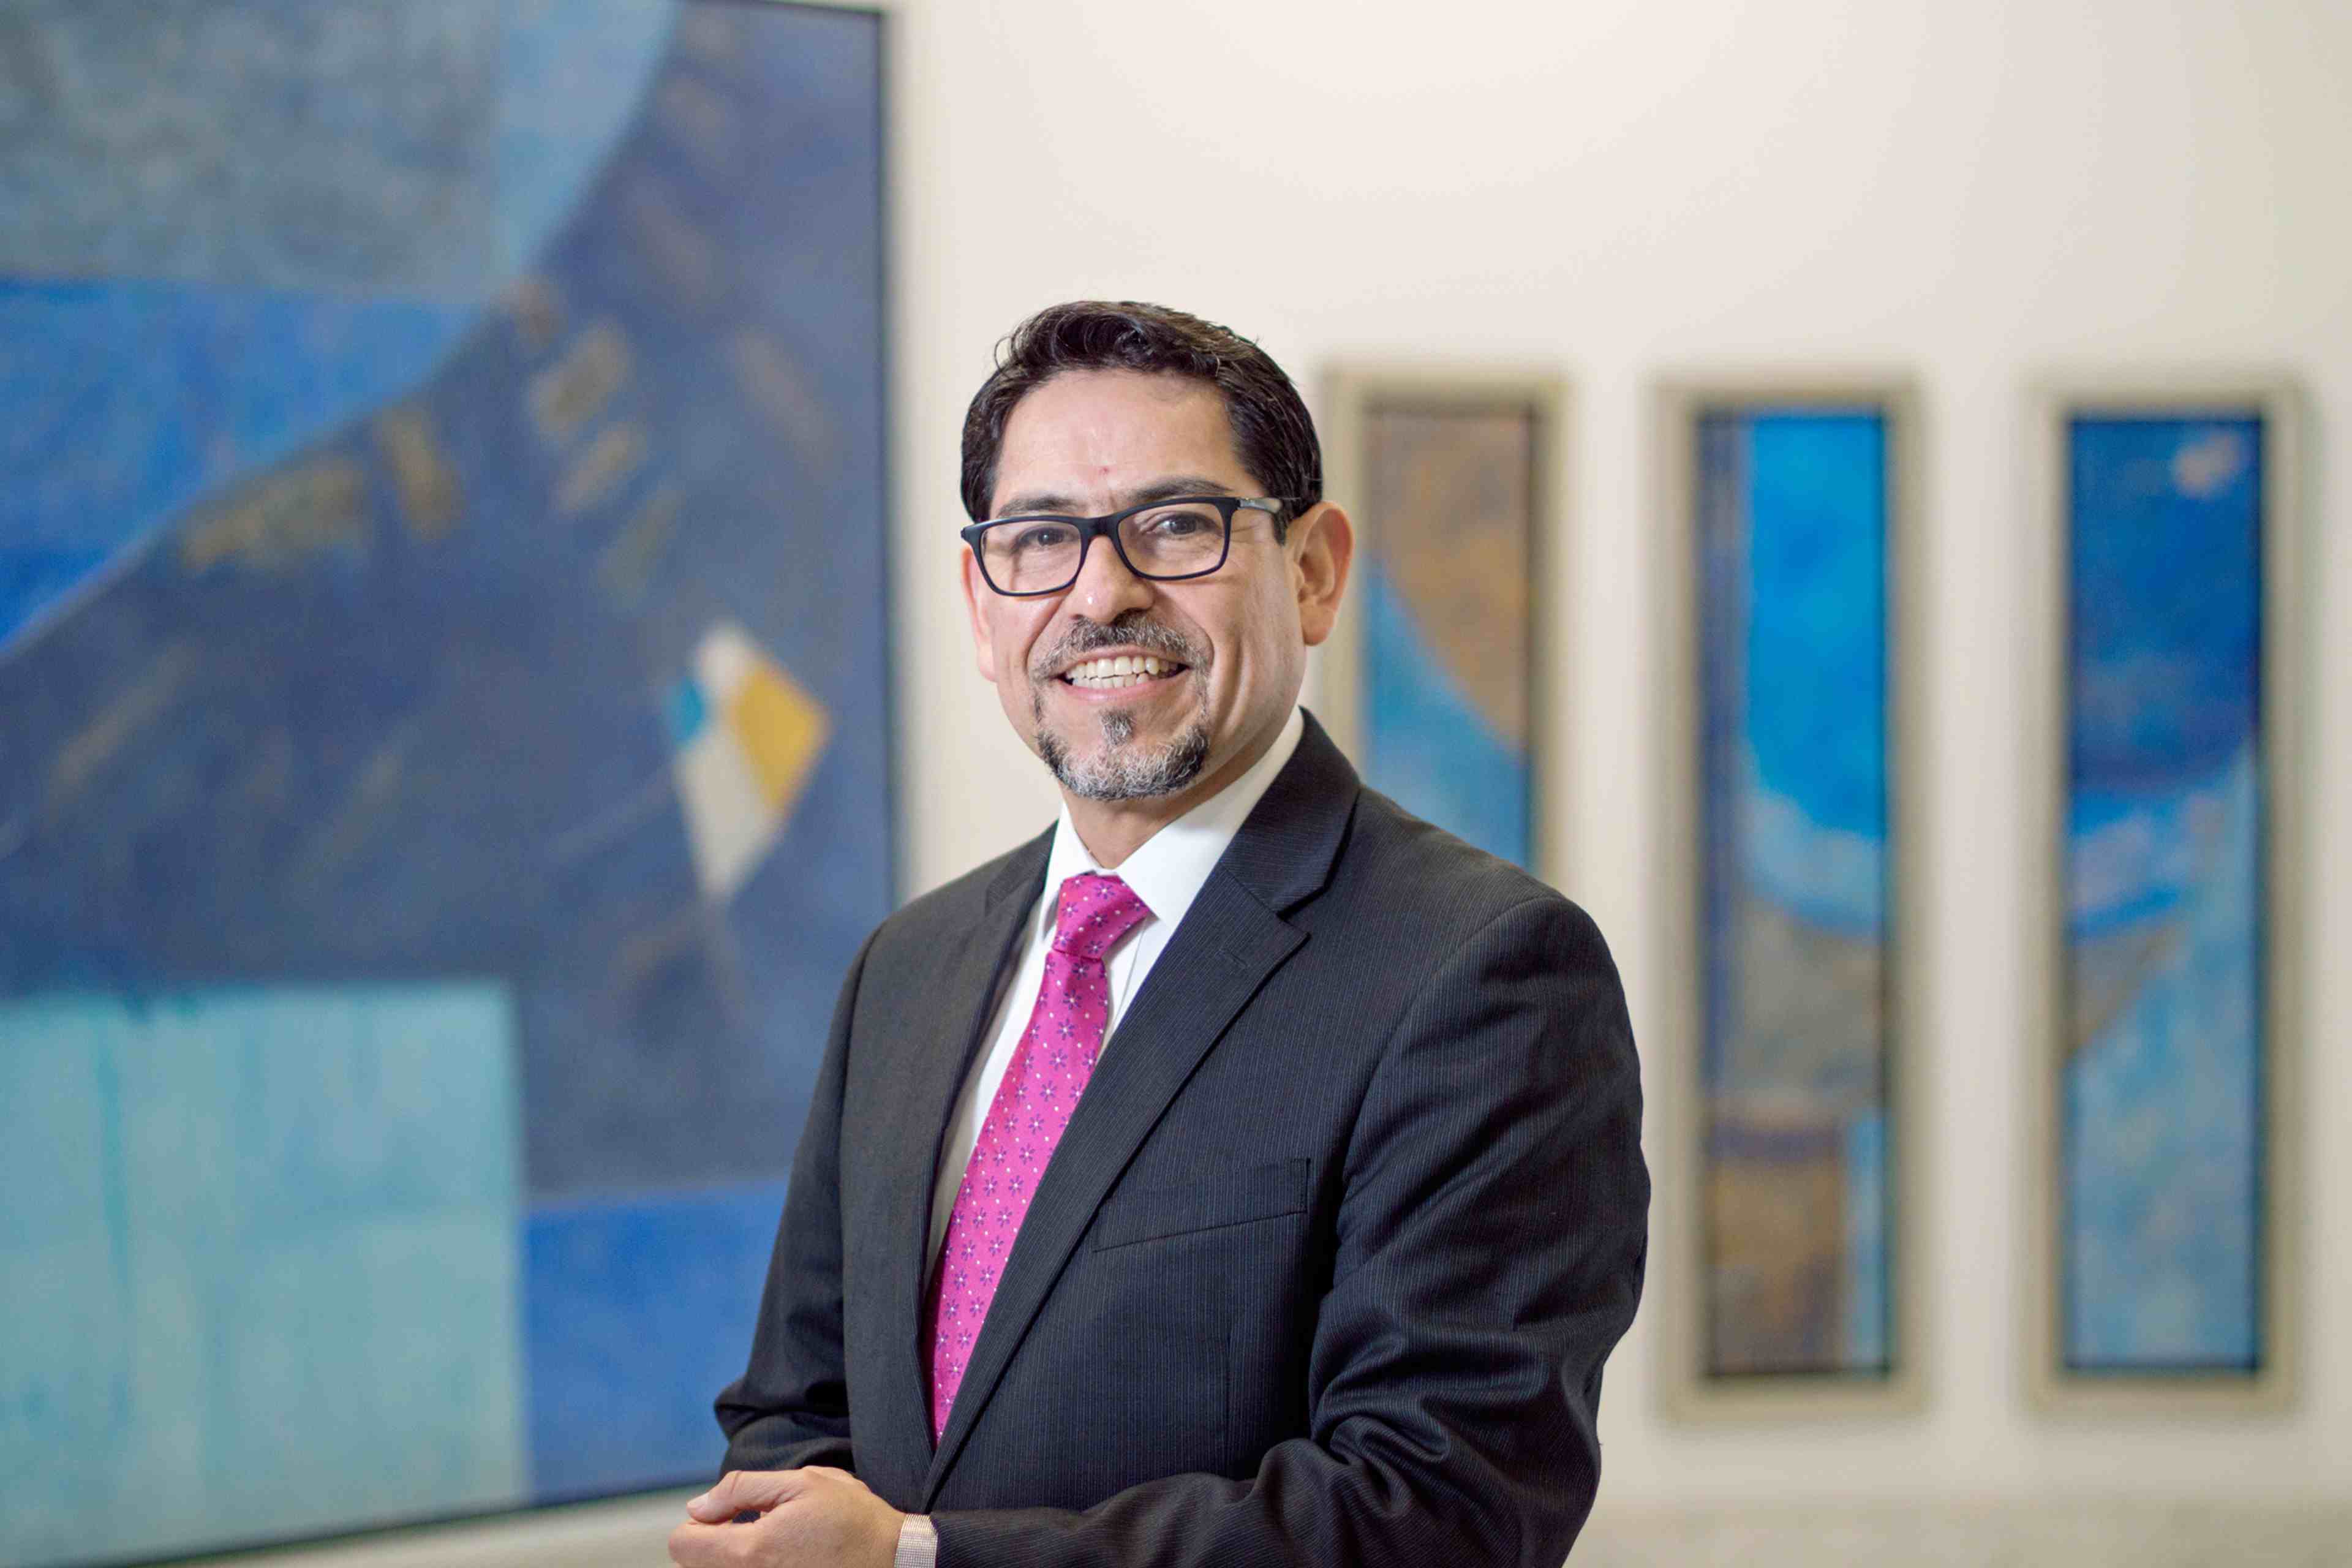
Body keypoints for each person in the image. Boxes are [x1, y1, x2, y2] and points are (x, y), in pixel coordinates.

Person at [669, 301, 1648, 1568]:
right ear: (980, 603)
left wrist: (921, 1554)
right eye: (1040, 539)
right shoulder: (908, 968)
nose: (1102, 593)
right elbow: (794, 1419)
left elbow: (1439, 1513)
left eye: (1176, 525)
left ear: (1313, 571)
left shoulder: (1486, 975)